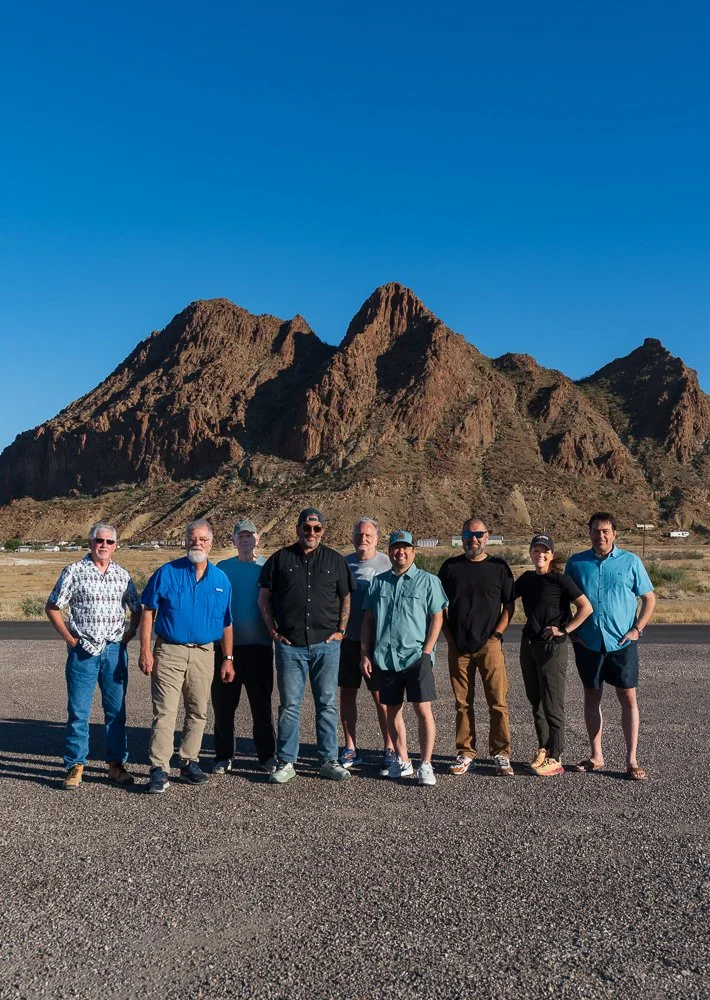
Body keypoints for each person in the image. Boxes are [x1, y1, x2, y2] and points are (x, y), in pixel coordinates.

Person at [257, 507, 355, 784]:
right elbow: (264, 598)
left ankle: (328, 760)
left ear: (323, 530)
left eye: (316, 529)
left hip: (327, 645)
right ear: (297, 529)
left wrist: (341, 630)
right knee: (289, 705)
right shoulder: (280, 559)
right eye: (306, 528)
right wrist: (273, 632)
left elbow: (346, 597)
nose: (311, 533)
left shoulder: (335, 560)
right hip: (290, 646)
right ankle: (286, 761)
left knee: (327, 703)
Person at [139, 519, 234, 794]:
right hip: (170, 650)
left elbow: (227, 622)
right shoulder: (167, 573)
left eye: (203, 539)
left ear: (211, 543)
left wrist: (228, 659)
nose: (197, 543)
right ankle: (159, 768)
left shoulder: (220, 580)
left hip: (205, 653)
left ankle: (189, 761)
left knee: (198, 711)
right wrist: (145, 650)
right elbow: (148, 610)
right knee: (165, 711)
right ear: (185, 541)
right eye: (193, 538)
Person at [46, 521, 141, 790]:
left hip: (113, 650)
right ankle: (75, 765)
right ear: (90, 543)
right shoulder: (74, 571)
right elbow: (53, 606)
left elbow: (137, 607)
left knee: (116, 711)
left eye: (109, 542)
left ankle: (116, 765)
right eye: (99, 541)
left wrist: (130, 634)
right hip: (83, 651)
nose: (104, 546)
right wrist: (69, 638)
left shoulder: (122, 575)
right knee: (78, 711)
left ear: (115, 546)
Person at [565, 512, 656, 780]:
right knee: (592, 696)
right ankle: (596, 756)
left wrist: (637, 629)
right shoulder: (576, 563)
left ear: (614, 533)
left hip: (621, 643)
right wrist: (572, 632)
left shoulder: (631, 562)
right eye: (595, 530)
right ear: (589, 532)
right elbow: (562, 600)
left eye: (605, 531)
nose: (600, 535)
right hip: (589, 642)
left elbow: (649, 598)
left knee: (628, 697)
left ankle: (632, 760)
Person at [360, 530, 448, 786]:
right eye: (395, 548)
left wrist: (427, 651)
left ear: (413, 551)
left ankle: (427, 764)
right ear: (389, 552)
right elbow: (368, 619)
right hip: (386, 658)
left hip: (416, 656)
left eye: (405, 548)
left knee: (423, 709)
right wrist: (365, 653)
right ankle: (404, 760)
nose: (400, 552)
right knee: (392, 710)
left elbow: (437, 617)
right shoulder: (378, 582)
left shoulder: (428, 581)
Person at [438, 518, 516, 776]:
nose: (474, 539)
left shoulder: (499, 567)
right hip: (458, 647)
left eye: (479, 534)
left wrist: (496, 634)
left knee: (497, 702)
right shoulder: (450, 568)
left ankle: (501, 753)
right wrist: (449, 638)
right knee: (462, 703)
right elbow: (440, 607)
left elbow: (509, 606)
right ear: (462, 537)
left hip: (489, 646)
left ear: (487, 536)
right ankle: (465, 752)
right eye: (469, 534)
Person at [514, 533, 593, 776]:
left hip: (552, 647)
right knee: (535, 700)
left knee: (552, 702)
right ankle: (544, 748)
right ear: (530, 553)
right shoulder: (526, 579)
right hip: (529, 645)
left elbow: (586, 607)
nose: (540, 554)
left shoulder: (560, 580)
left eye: (544, 550)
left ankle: (556, 756)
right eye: (536, 550)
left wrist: (565, 630)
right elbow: (503, 596)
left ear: (552, 554)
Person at [212, 519, 277, 775]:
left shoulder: (267, 567)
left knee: (261, 706)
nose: (246, 540)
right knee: (224, 706)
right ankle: (223, 756)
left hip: (260, 648)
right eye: (241, 536)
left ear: (258, 539)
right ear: (234, 541)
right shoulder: (222, 568)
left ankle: (267, 755)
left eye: (250, 536)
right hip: (227, 649)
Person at [337, 517, 397, 775]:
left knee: (380, 697)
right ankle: (351, 747)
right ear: (353, 537)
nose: (363, 538)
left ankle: (389, 747)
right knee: (347, 694)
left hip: (377, 643)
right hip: (348, 640)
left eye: (368, 535)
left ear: (376, 538)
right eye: (359, 534)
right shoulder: (343, 563)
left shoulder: (387, 563)